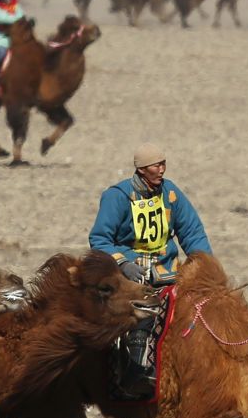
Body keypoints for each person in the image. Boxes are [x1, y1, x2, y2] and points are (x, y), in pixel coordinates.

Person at [90, 143, 211, 398]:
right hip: (131, 277)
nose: (162, 170)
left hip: (168, 272)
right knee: (143, 313)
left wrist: (206, 265)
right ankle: (136, 372)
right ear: (142, 169)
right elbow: (101, 239)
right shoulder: (118, 196)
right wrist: (123, 263)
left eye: (163, 164)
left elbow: (191, 232)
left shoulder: (171, 194)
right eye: (157, 165)